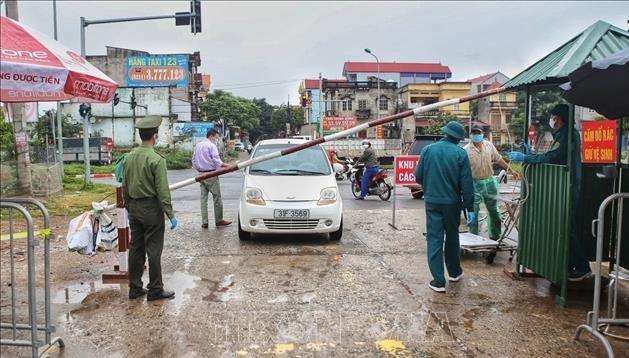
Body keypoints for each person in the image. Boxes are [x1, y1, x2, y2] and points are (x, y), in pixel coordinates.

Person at [508, 104, 591, 281]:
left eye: (552, 117)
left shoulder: (567, 135)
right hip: (566, 186)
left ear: (558, 118)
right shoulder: (562, 134)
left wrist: (526, 158)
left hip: (568, 186)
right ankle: (567, 267)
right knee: (562, 227)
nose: (551, 120)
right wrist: (530, 153)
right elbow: (552, 156)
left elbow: (552, 157)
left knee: (567, 228)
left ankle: (583, 267)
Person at [414, 121, 475, 292]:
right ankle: (454, 273)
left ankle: (438, 281)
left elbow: (418, 176)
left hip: (432, 201)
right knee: (452, 237)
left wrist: (429, 184)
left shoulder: (428, 150)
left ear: (444, 133)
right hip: (452, 203)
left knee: (434, 238)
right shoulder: (460, 154)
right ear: (457, 139)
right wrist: (470, 208)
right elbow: (467, 184)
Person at [122, 115, 177, 301]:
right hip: (151, 209)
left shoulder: (128, 158)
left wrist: (130, 207)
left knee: (136, 248)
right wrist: (170, 214)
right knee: (153, 250)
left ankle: (135, 287)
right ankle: (155, 289)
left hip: (134, 208)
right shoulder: (156, 159)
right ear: (155, 135)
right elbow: (163, 191)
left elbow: (125, 186)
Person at [464, 126, 518, 240]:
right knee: (473, 212)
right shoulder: (466, 150)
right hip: (474, 183)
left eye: (478, 133)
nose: (476, 135)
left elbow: (498, 159)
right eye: (474, 133)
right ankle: (473, 237)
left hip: (489, 182)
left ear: (482, 134)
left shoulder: (489, 145)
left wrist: (511, 170)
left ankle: (495, 236)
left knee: (494, 211)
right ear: (470, 135)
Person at [192, 128, 232, 228]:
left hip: (201, 175)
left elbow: (193, 161)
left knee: (203, 199)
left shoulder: (198, 145)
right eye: (216, 136)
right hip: (211, 174)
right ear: (212, 135)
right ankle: (219, 220)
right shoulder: (211, 145)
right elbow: (218, 162)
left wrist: (199, 172)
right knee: (217, 197)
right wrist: (228, 166)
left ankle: (205, 222)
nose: (217, 138)